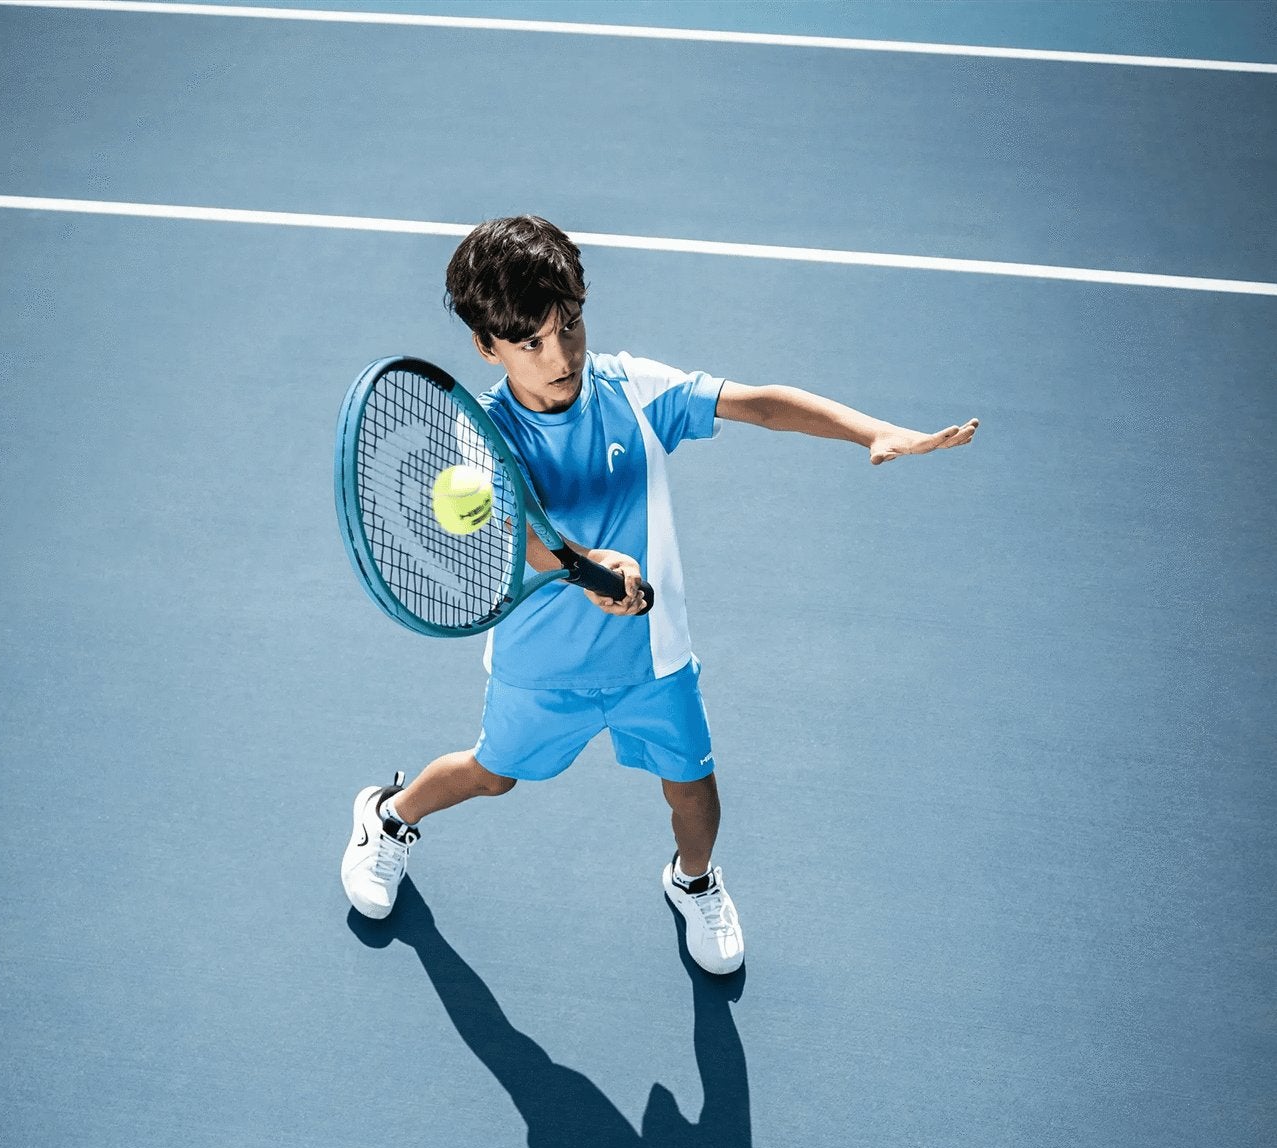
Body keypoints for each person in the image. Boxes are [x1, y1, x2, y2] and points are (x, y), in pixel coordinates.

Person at [341, 215, 978, 974]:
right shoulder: (481, 439)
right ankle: (386, 818)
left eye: (569, 325)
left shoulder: (631, 390)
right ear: (487, 348)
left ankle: (694, 882)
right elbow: (521, 540)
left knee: (693, 790)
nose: (560, 354)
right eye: (530, 343)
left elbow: (759, 403)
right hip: (542, 664)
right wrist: (588, 566)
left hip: (653, 657)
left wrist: (870, 430)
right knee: (491, 773)